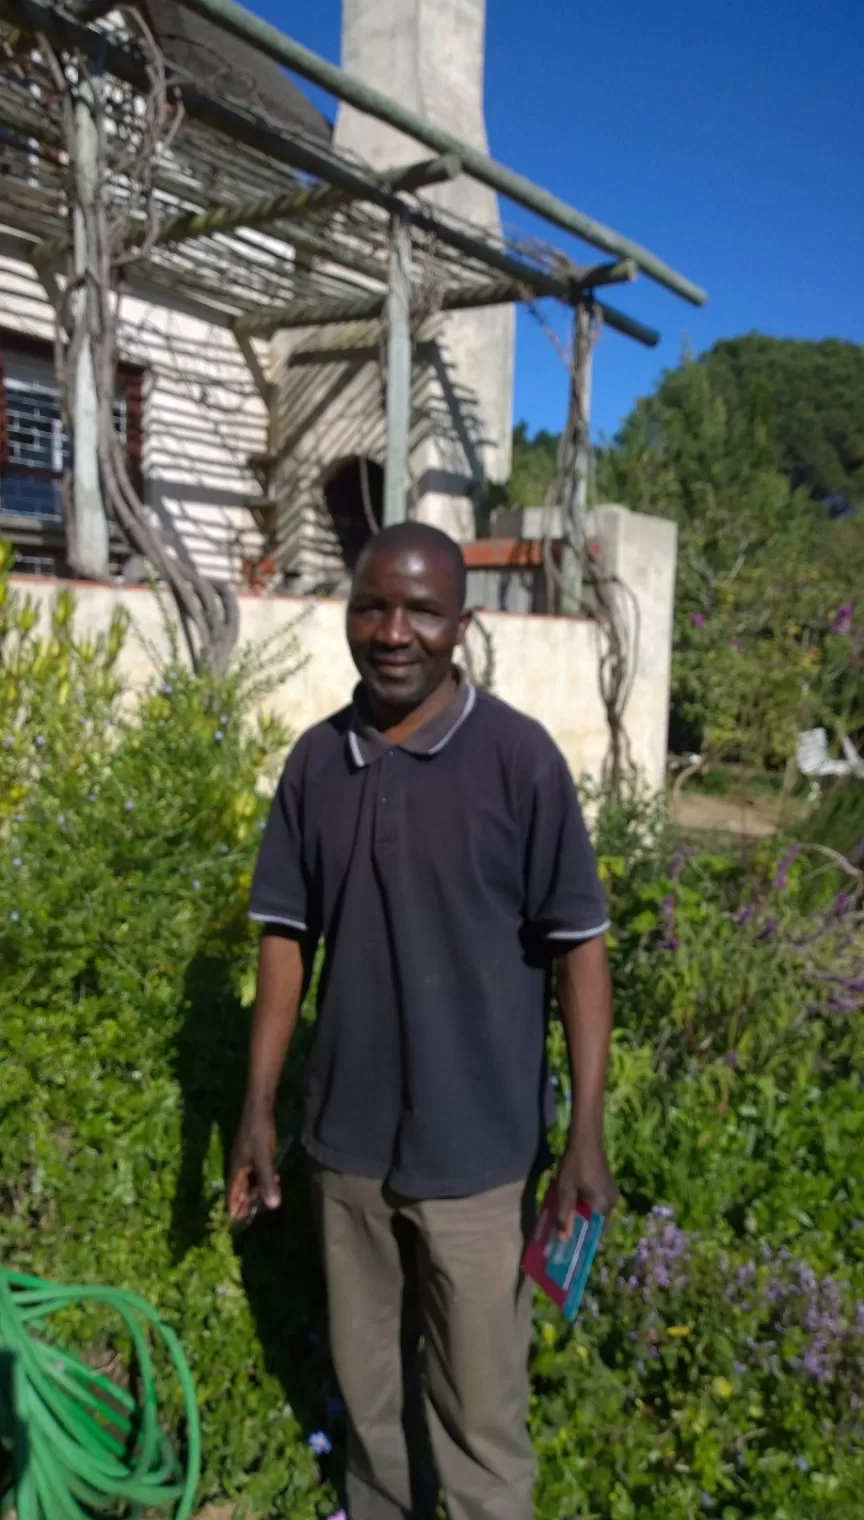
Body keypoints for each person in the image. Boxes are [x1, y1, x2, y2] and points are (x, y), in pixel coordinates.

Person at [228, 521, 618, 1520]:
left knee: (480, 1421)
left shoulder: (519, 761)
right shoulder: (318, 763)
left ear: (463, 625)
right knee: (370, 1406)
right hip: (348, 1147)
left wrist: (585, 1132)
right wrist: (258, 1111)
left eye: (422, 611)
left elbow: (580, 948)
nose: (393, 632)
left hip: (480, 1158)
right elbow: (285, 941)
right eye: (372, 606)